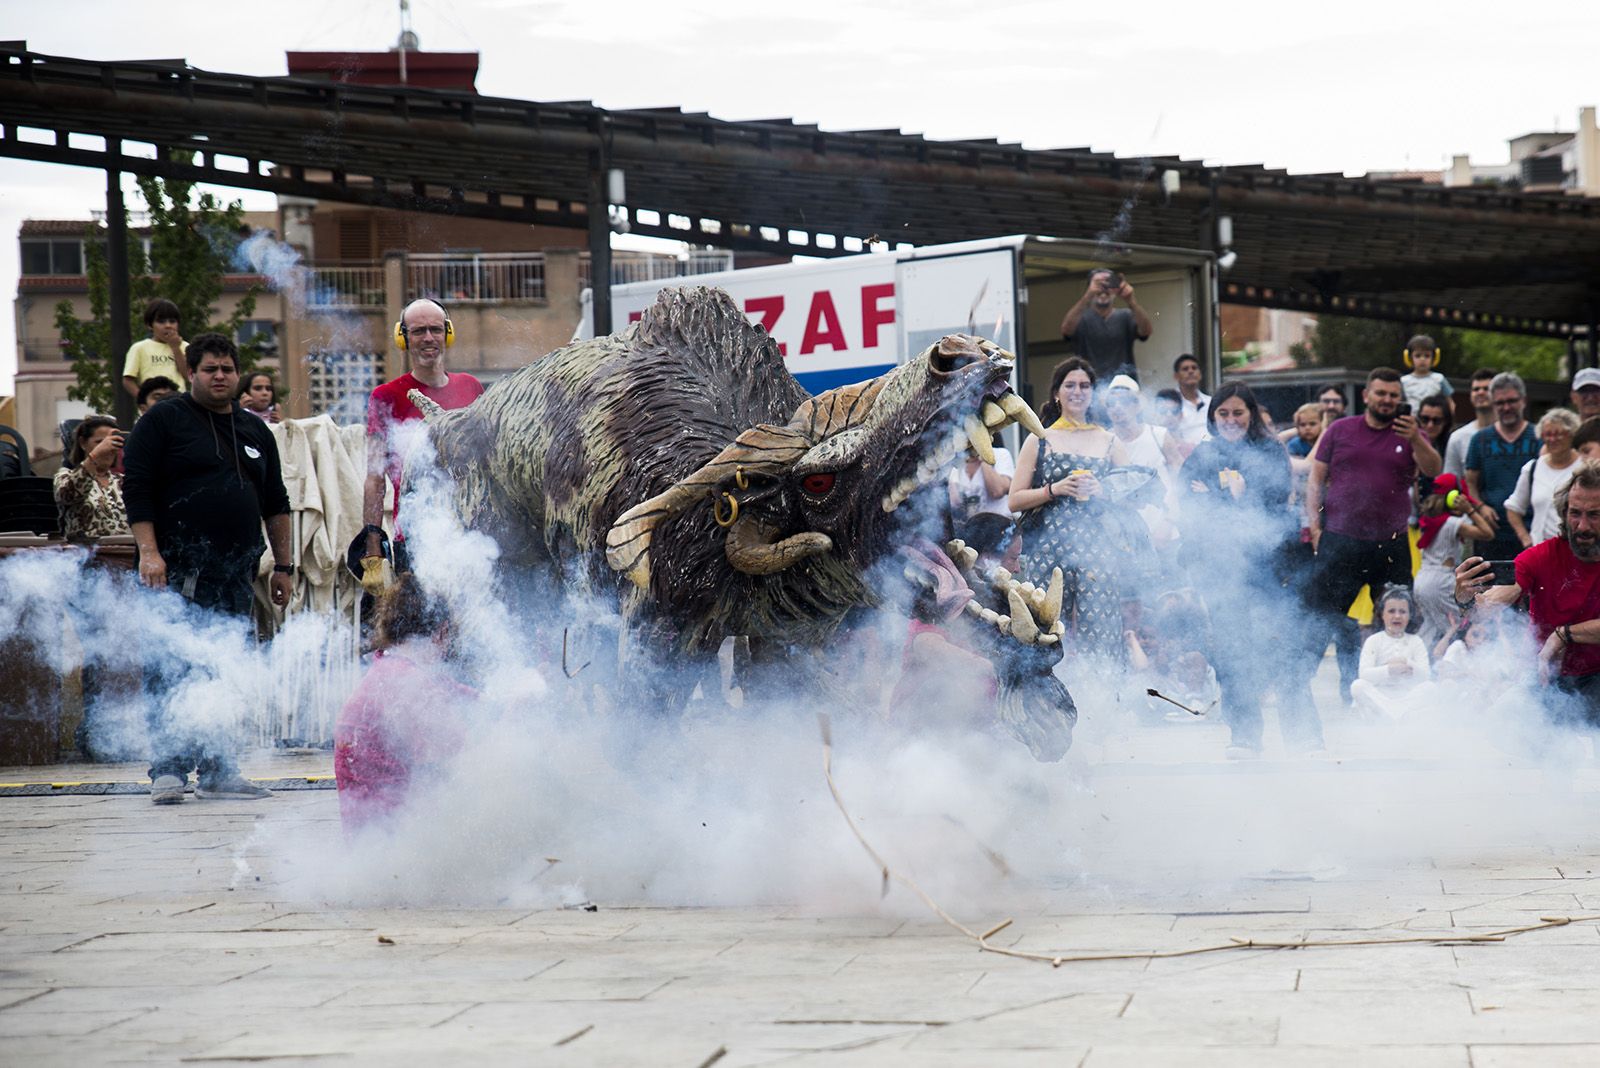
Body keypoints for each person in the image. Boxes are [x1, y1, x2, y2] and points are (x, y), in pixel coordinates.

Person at [122, 333, 294, 805]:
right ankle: (169, 768)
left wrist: (284, 565)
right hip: (175, 570)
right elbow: (137, 490)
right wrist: (150, 553)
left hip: (236, 574)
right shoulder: (163, 420)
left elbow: (276, 502)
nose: (220, 376)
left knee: (225, 668)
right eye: (210, 369)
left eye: (227, 369)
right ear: (191, 372)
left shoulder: (255, 430)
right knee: (171, 668)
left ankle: (219, 769)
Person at [1177, 383, 1322, 756]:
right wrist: (1233, 496)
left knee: (1282, 647)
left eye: (1238, 412)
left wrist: (1221, 497)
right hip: (1221, 573)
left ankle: (1304, 737)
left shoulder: (1270, 450)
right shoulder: (1203, 454)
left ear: (1251, 414)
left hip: (1271, 570)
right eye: (1223, 413)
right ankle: (1244, 737)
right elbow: (1189, 508)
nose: (1230, 420)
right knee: (1232, 654)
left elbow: (1274, 503)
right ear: (1213, 417)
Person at [1305, 367, 1442, 702]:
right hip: (1340, 540)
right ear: (1366, 395)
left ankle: (1391, 696)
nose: (1387, 400)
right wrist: (1315, 527)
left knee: (1397, 620)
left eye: (1393, 395)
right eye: (1381, 393)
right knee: (1323, 619)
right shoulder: (1340, 429)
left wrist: (1414, 438)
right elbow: (1315, 479)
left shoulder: (1411, 433)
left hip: (1391, 545)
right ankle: (1299, 688)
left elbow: (1434, 470)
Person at [1455, 462, 1600, 729]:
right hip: (1546, 676)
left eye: (1594, 515)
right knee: (1498, 731)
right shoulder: (1542, 556)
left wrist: (1563, 635)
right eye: (1575, 513)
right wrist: (1467, 598)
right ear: (1564, 512)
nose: (1582, 526)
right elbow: (1494, 602)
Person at [1009, 358, 1130, 663]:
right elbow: (1014, 500)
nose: (1078, 391)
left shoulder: (1110, 441)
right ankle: (1041, 687)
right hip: (1048, 547)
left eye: (1085, 386)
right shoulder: (1040, 439)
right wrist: (1054, 489)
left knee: (1101, 626)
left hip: (1099, 548)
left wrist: (1104, 491)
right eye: (1070, 385)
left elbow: (1134, 494)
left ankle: (1103, 687)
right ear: (1056, 393)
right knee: (1045, 626)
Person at [360, 298, 484, 592]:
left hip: (473, 540)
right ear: (402, 338)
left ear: (447, 334)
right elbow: (375, 476)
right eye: (418, 331)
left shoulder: (471, 387)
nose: (428, 338)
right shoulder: (385, 396)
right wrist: (372, 548)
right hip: (415, 538)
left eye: (435, 329)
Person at [334, 574, 473, 832]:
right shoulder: (409, 681)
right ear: (442, 632)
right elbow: (459, 752)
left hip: (368, 836)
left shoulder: (390, 666)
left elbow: (463, 696)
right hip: (395, 838)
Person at [1413, 474, 1497, 651]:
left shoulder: (1428, 520)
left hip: (1421, 580)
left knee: (1430, 627)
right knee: (1460, 626)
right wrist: (1469, 510)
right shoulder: (1452, 523)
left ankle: (1420, 660)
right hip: (1441, 582)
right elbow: (1487, 533)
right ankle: (1453, 662)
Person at [1103, 374, 1183, 560]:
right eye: (1111, 403)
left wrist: (1168, 522)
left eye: (1125, 401)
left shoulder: (1159, 435)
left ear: (1137, 405)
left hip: (1164, 533)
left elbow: (1181, 482)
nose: (1118, 407)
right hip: (1122, 540)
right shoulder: (1103, 441)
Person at [1465, 371, 1540, 563]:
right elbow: (1470, 483)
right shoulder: (1480, 439)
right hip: (1492, 533)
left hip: (1531, 531)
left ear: (1523, 401)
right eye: (1500, 403)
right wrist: (1480, 507)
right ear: (1492, 404)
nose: (1506, 407)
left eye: (1512, 401)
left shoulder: (1539, 436)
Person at [1349, 586, 1432, 720]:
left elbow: (1426, 675)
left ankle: (1392, 713)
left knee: (1430, 688)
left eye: (1402, 611)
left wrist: (1407, 663)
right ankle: (1397, 714)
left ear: (1410, 615)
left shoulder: (1416, 641)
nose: (1397, 616)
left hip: (1407, 696)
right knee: (1358, 686)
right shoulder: (1374, 640)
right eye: (1391, 611)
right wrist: (1389, 669)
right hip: (1380, 697)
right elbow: (1364, 674)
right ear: (1382, 614)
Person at [1505, 408, 1582, 549]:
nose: (1552, 439)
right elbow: (1513, 508)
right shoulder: (1532, 468)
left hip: (1576, 551)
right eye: (1547, 434)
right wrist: (1525, 539)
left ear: (1572, 434)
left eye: (1558, 434)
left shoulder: (1584, 468)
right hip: (1540, 550)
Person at [1057, 268, 1152, 381]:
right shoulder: (1080, 318)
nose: (1103, 289)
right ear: (1089, 288)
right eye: (1098, 284)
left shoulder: (1126, 316)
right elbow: (1066, 331)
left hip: (1123, 385)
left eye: (1108, 283)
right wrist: (1087, 296)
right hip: (1090, 384)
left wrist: (1131, 301)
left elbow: (1145, 332)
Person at [53, 416, 130, 541]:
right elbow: (68, 494)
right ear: (82, 443)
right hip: (85, 551)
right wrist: (97, 455)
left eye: (113, 442)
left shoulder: (124, 481)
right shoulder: (65, 476)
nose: (108, 448)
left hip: (126, 551)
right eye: (99, 442)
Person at [947, 438, 1014, 566]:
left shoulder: (1000, 455)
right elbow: (954, 503)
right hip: (973, 539)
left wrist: (983, 457)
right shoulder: (958, 461)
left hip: (1000, 537)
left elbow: (997, 490)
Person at [121, 298, 188, 400]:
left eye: (172, 321)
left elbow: (188, 375)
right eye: (161, 322)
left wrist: (175, 348)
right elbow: (128, 380)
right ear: (150, 325)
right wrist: (144, 400)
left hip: (178, 402)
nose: (168, 325)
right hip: (153, 403)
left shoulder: (184, 346)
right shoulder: (139, 348)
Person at [1443, 368, 1498, 482]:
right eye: (1476, 389)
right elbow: (1451, 480)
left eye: (1486, 389)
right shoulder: (1458, 438)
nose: (1480, 392)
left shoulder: (1511, 434)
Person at [1400, 335, 1453, 409]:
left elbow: (1450, 402)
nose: (1422, 359)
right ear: (1409, 358)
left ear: (1434, 358)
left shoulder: (1439, 379)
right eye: (1418, 356)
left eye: (1427, 356)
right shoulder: (1404, 381)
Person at [1170, 354, 1210, 447]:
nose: (1191, 371)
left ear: (1200, 374)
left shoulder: (1211, 402)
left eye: (1194, 368)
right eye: (1185, 369)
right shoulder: (1170, 404)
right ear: (1176, 376)